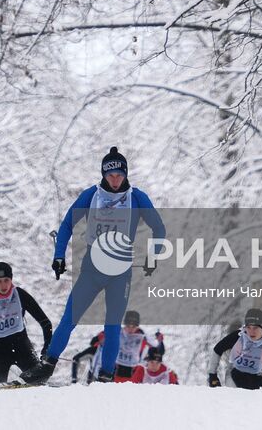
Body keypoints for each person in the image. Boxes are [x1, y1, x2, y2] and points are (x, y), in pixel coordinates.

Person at [22, 146, 166, 384]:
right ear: (103, 174)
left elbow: (159, 228)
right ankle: (47, 366)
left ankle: (106, 376)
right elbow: (68, 224)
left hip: (120, 272)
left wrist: (154, 255)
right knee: (70, 318)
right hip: (92, 269)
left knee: (112, 327)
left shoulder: (136, 197)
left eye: (120, 175)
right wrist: (59, 256)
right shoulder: (92, 195)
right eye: (111, 175)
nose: (116, 179)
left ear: (126, 174)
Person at [208, 308, 262, 389]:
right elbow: (217, 349)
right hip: (234, 376)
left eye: (255, 328)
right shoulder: (238, 336)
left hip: (257, 378)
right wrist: (212, 375)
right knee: (235, 398)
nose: (251, 331)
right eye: (248, 327)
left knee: (258, 400)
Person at [111, 310, 164, 381]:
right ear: (124, 324)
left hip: (133, 368)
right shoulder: (118, 332)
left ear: (137, 326)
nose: (130, 329)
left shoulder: (141, 335)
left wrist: (159, 340)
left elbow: (156, 347)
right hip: (117, 366)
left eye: (133, 327)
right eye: (128, 326)